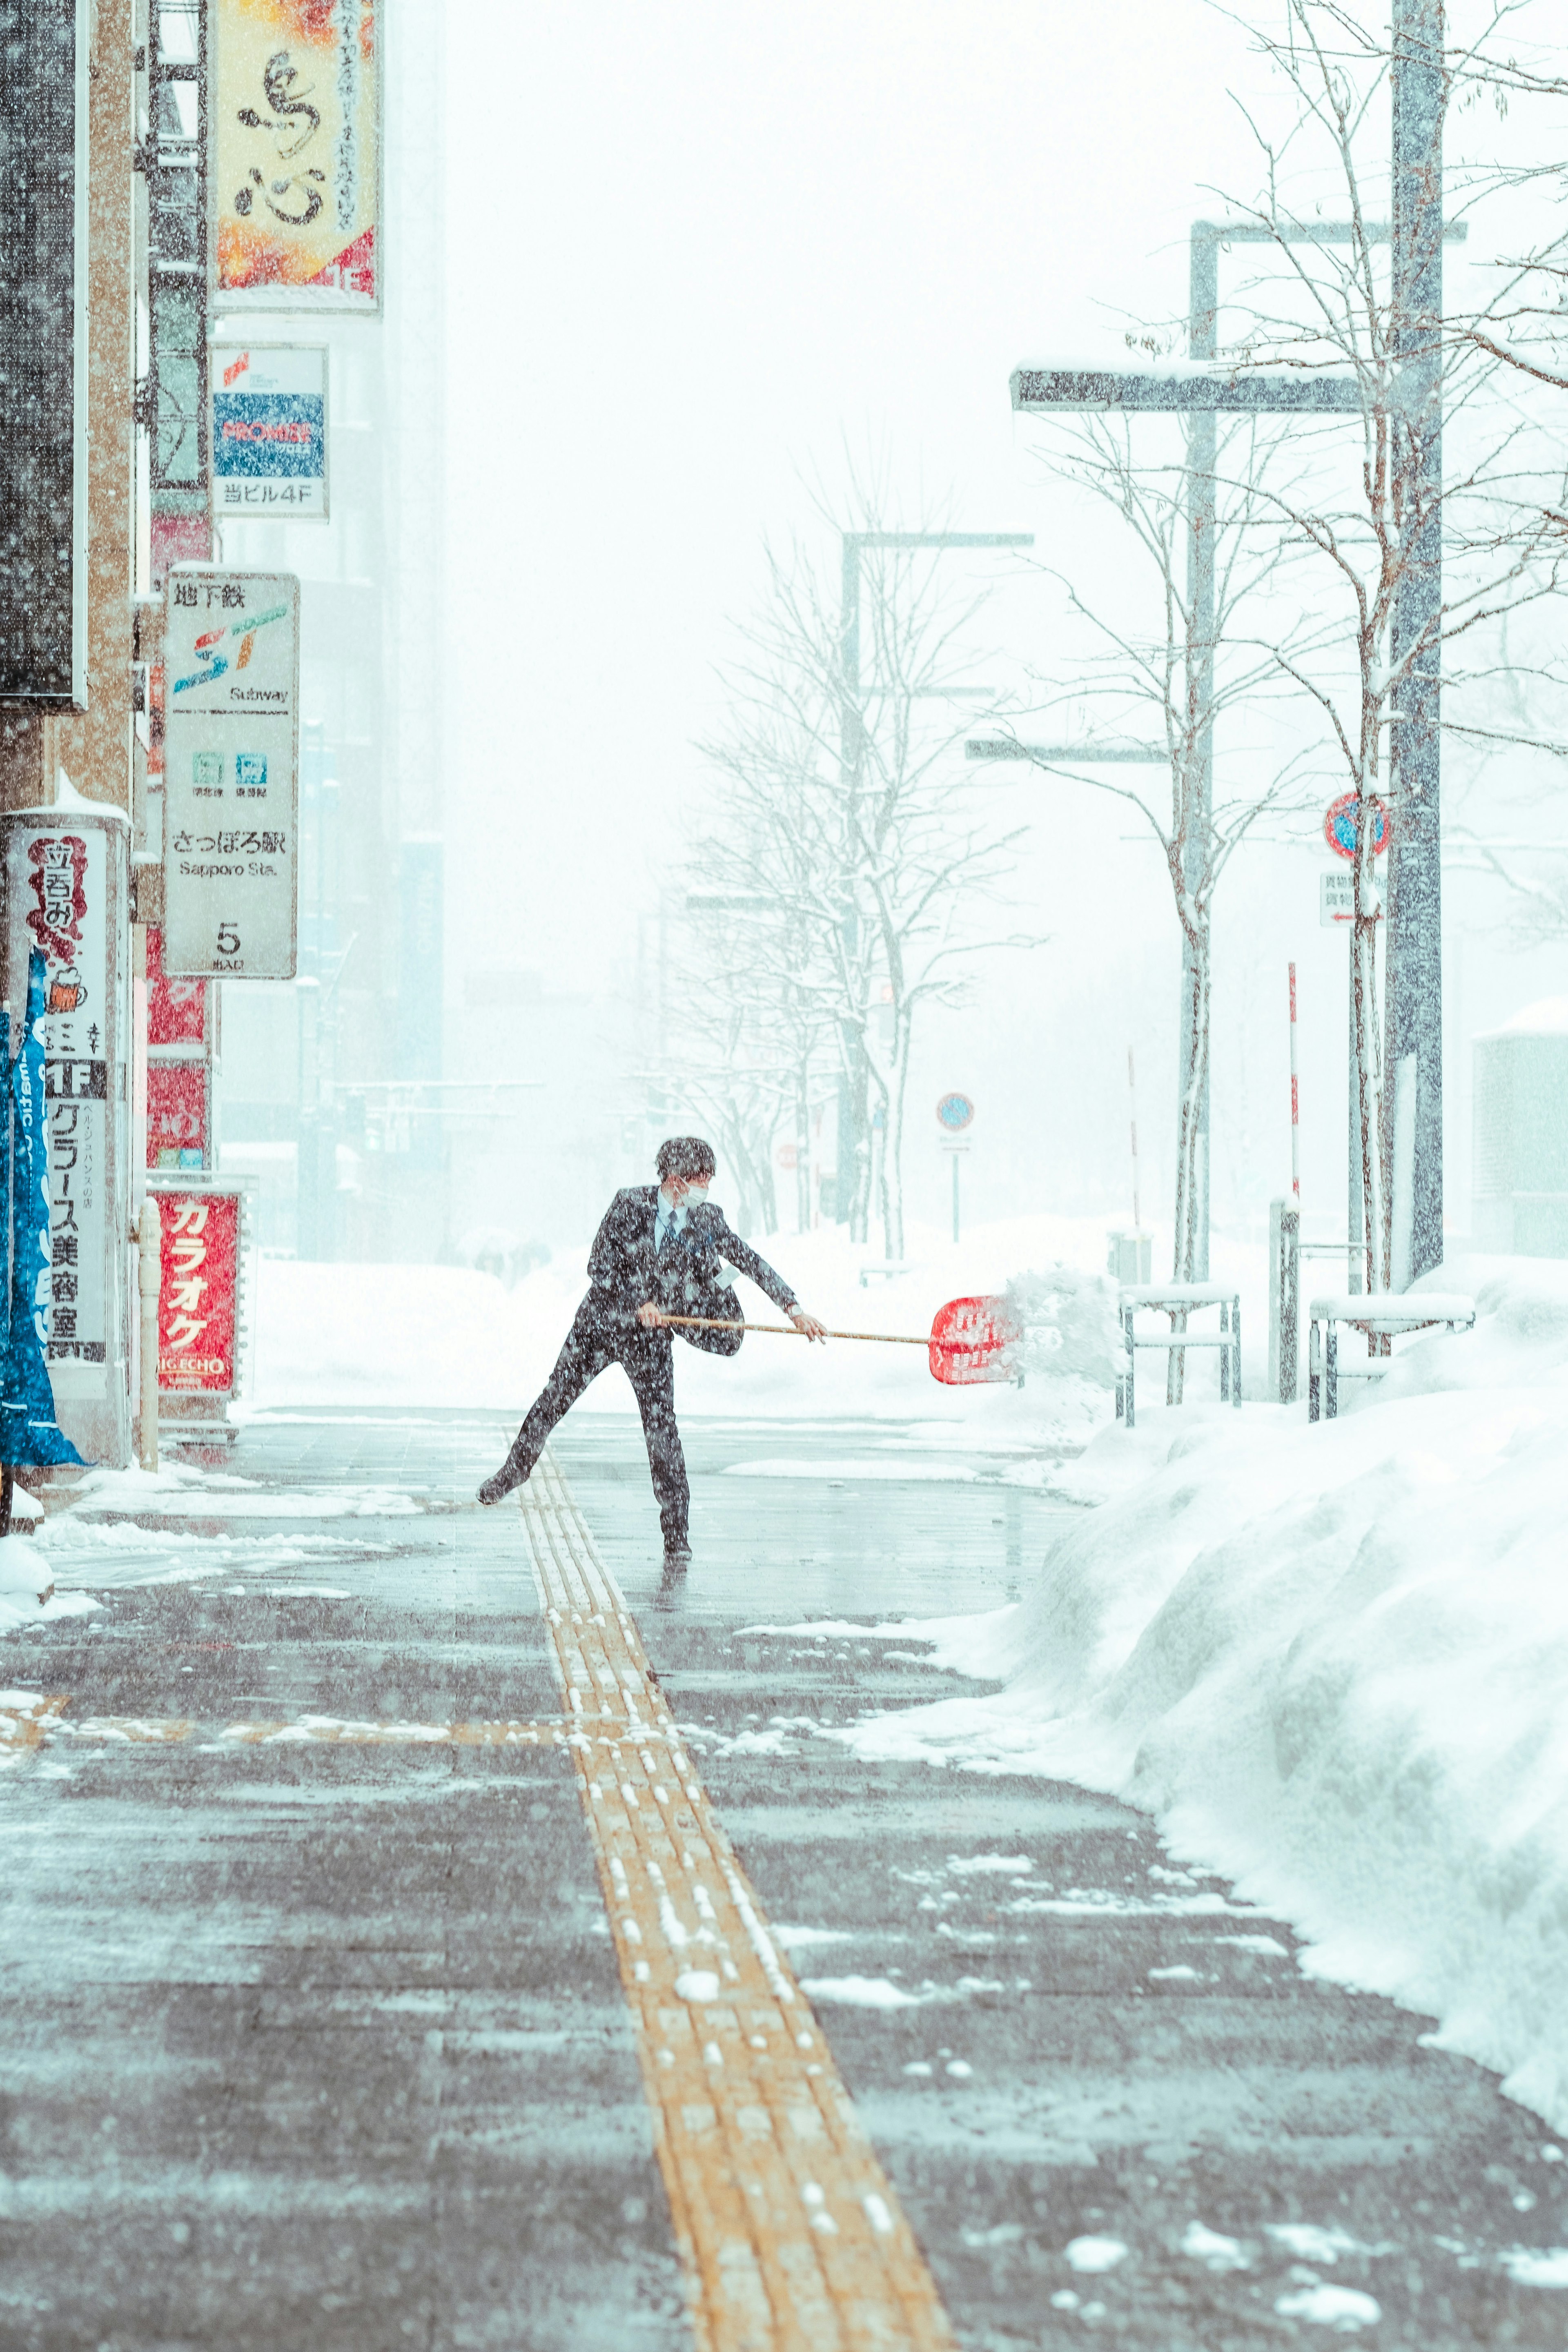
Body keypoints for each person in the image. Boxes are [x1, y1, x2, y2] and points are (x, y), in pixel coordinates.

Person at [478, 1136, 826, 1570]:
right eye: (702, 1179)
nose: (707, 1188)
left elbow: (749, 1261)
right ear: (676, 1181)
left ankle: (676, 1536)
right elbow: (600, 1264)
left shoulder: (707, 1219)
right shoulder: (628, 1205)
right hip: (601, 1326)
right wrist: (638, 1299)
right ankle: (513, 1472)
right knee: (554, 1400)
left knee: (663, 1432)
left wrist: (794, 1309)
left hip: (651, 1340)